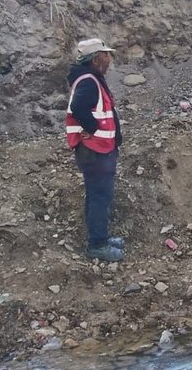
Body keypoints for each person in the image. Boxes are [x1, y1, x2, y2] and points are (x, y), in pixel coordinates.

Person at [65, 38, 125, 262]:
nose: (109, 59)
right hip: (95, 150)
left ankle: (100, 237)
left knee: (97, 195)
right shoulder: (89, 81)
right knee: (100, 196)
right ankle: (97, 245)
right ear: (95, 59)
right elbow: (78, 107)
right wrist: (92, 128)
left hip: (99, 149)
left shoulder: (91, 79)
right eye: (106, 55)